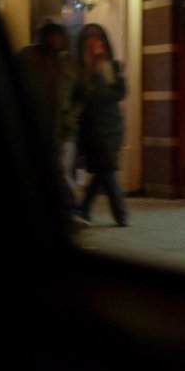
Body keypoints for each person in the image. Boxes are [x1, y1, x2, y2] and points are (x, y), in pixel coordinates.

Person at [16, 22, 89, 229]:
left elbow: (81, 95)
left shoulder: (70, 63)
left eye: (59, 37)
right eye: (52, 37)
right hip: (37, 127)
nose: (56, 41)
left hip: (64, 130)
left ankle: (70, 211)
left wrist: (72, 115)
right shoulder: (26, 58)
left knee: (62, 171)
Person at [76, 23, 129, 226]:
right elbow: (86, 97)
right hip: (93, 129)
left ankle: (85, 209)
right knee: (106, 169)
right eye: (91, 41)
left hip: (113, 128)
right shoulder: (83, 71)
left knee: (103, 170)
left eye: (98, 39)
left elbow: (121, 92)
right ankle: (120, 214)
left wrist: (100, 92)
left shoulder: (112, 66)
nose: (96, 44)